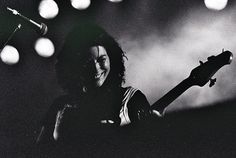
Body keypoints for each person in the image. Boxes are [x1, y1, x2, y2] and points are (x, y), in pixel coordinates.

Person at [36, 22, 161, 157]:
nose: (96, 69)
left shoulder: (132, 98)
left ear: (111, 59)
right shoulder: (60, 105)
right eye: (87, 62)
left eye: (101, 60)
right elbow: (38, 152)